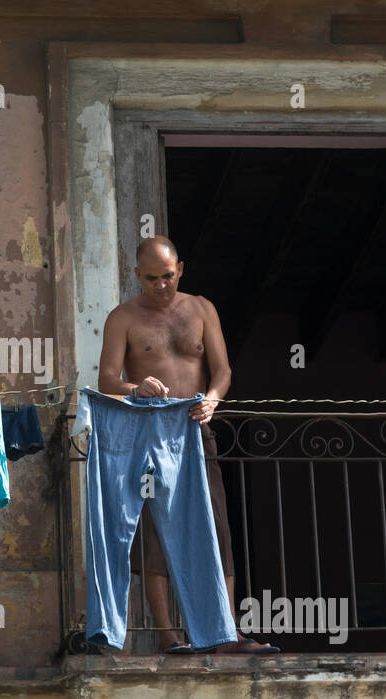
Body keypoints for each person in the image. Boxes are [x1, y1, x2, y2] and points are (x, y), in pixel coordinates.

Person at [96, 235, 277, 654]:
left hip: (196, 428)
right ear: (137, 275)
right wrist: (135, 387)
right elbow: (106, 380)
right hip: (149, 431)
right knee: (156, 531)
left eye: (168, 276)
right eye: (153, 278)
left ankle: (224, 632)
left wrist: (212, 399)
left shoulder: (201, 309)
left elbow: (223, 370)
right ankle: (168, 636)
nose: (162, 285)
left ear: (181, 269)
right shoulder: (122, 317)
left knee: (216, 526)